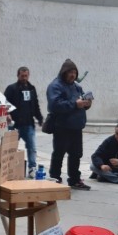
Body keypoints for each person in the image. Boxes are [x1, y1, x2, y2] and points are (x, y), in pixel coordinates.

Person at [46, 59, 91, 190]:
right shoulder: (55, 86)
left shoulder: (77, 86)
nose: (73, 75)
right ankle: (55, 178)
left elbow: (81, 100)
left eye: (75, 72)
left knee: (76, 154)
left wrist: (86, 104)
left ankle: (75, 179)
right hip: (62, 126)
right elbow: (54, 105)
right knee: (59, 153)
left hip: (76, 126)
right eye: (70, 72)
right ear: (64, 73)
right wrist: (75, 104)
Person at [4, 66, 44, 176]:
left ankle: (32, 168)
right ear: (18, 76)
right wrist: (7, 114)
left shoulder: (32, 89)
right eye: (22, 76)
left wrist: (39, 118)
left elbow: (35, 105)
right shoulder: (11, 88)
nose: (24, 78)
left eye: (26, 76)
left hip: (28, 124)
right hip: (14, 124)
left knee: (32, 147)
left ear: (28, 76)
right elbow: (5, 103)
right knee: (11, 148)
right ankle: (8, 167)